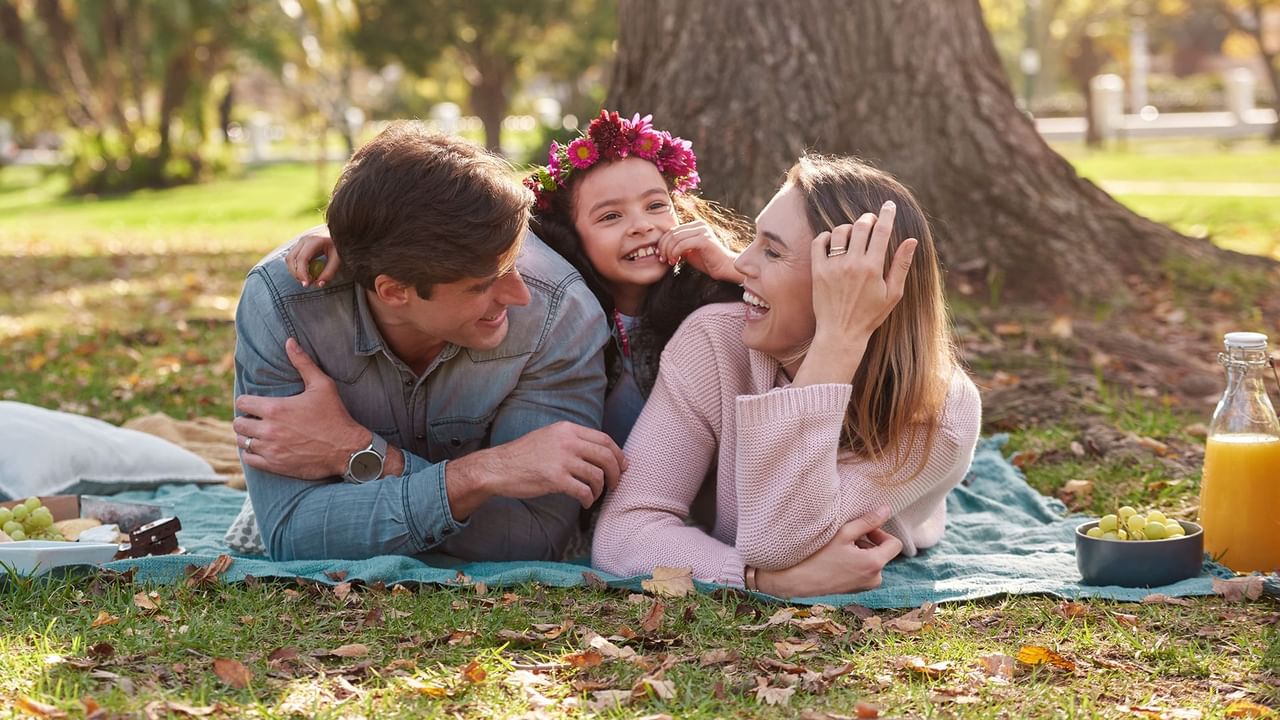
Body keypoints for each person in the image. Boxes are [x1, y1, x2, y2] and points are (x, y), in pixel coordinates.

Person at [231, 121, 624, 563]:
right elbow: (294, 534)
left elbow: (529, 537)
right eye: (483, 285)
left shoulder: (557, 312)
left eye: (513, 262)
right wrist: (482, 475)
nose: (520, 295)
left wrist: (358, 454)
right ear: (394, 291)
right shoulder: (284, 308)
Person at [592, 154, 983, 598]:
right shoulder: (716, 340)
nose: (741, 265)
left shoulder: (939, 412)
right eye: (754, 241)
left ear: (846, 285)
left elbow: (778, 541)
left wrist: (840, 336)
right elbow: (624, 532)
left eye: (773, 251)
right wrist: (754, 580)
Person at [287, 110, 749, 447]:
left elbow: (796, 320)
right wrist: (343, 236)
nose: (643, 226)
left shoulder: (708, 297)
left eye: (655, 205)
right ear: (569, 235)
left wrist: (733, 265)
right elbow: (446, 233)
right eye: (610, 216)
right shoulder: (563, 312)